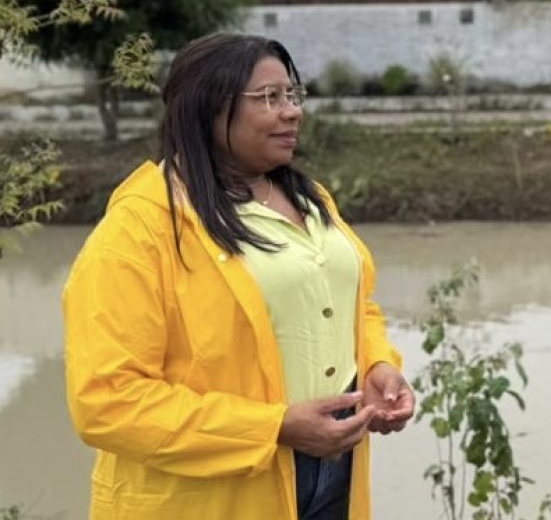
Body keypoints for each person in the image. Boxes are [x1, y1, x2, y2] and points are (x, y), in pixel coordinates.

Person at [63, 33, 415, 520]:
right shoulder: (140, 229)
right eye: (270, 98)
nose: (292, 112)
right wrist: (274, 428)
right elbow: (107, 402)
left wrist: (377, 365)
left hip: (333, 468)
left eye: (293, 95)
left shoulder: (309, 198)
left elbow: (354, 302)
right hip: (209, 495)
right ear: (207, 108)